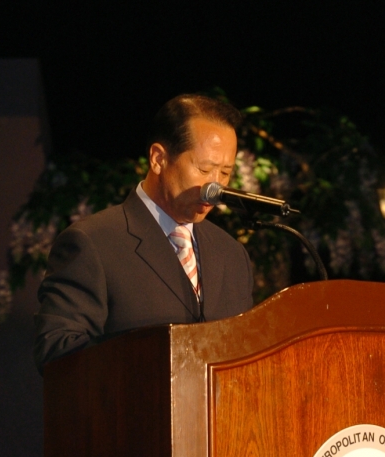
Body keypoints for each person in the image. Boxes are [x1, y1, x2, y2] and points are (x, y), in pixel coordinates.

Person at [34, 94, 253, 370]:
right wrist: (153, 357)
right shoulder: (93, 243)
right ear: (158, 159)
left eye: (225, 172)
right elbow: (58, 353)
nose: (216, 187)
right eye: (205, 169)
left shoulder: (231, 254)